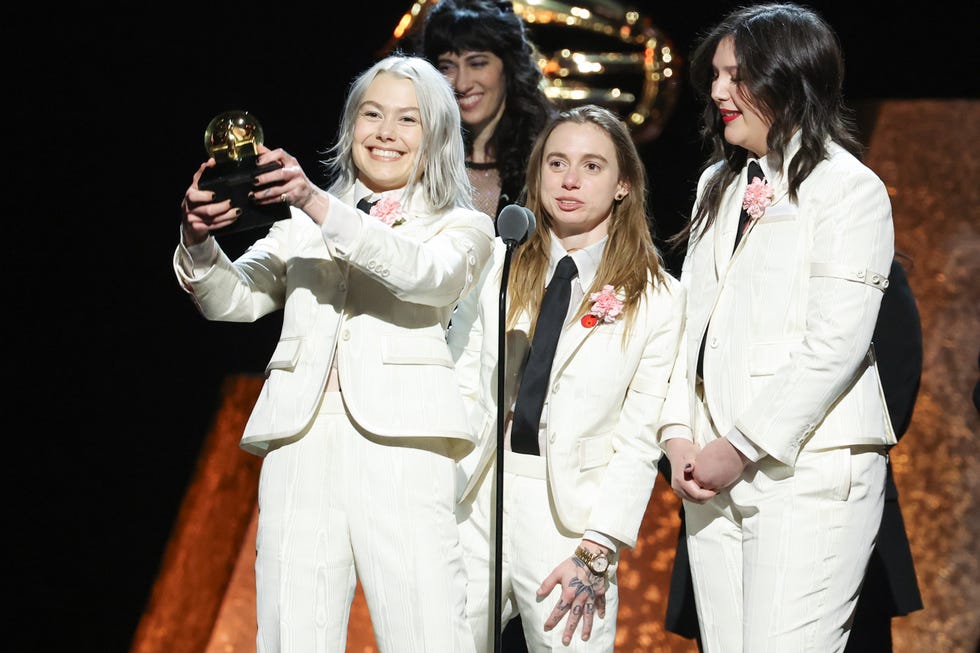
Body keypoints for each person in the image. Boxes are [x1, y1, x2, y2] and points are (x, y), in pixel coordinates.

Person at [173, 54, 495, 653]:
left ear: (438, 137)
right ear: (351, 128)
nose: (385, 133)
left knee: (426, 629)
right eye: (372, 114)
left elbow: (425, 277)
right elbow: (232, 300)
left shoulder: (461, 225)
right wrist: (197, 240)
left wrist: (318, 204)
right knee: (293, 630)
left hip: (404, 443)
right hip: (301, 440)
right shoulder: (299, 223)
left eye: (408, 120)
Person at [660, 4, 897, 651]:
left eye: (734, 75)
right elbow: (687, 327)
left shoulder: (849, 190)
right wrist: (678, 435)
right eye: (714, 75)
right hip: (709, 478)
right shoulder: (718, 184)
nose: (715, 92)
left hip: (810, 473)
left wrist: (737, 446)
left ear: (788, 78)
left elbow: (835, 345)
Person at [449, 104, 686, 652]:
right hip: (478, 494)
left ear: (624, 183)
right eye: (556, 163)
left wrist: (597, 548)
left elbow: (637, 439)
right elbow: (461, 377)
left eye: (592, 166)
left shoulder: (660, 300)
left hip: (569, 521)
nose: (570, 180)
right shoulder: (497, 264)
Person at [660, 254, 924, 652]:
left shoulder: (863, 262)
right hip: (720, 501)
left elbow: (893, 381)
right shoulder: (718, 257)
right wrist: (699, 458)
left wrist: (769, 448)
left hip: (826, 494)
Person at [421, 0, 556, 219]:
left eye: (477, 63)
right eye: (447, 67)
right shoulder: (422, 155)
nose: (462, 84)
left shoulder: (545, 157)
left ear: (509, 66)